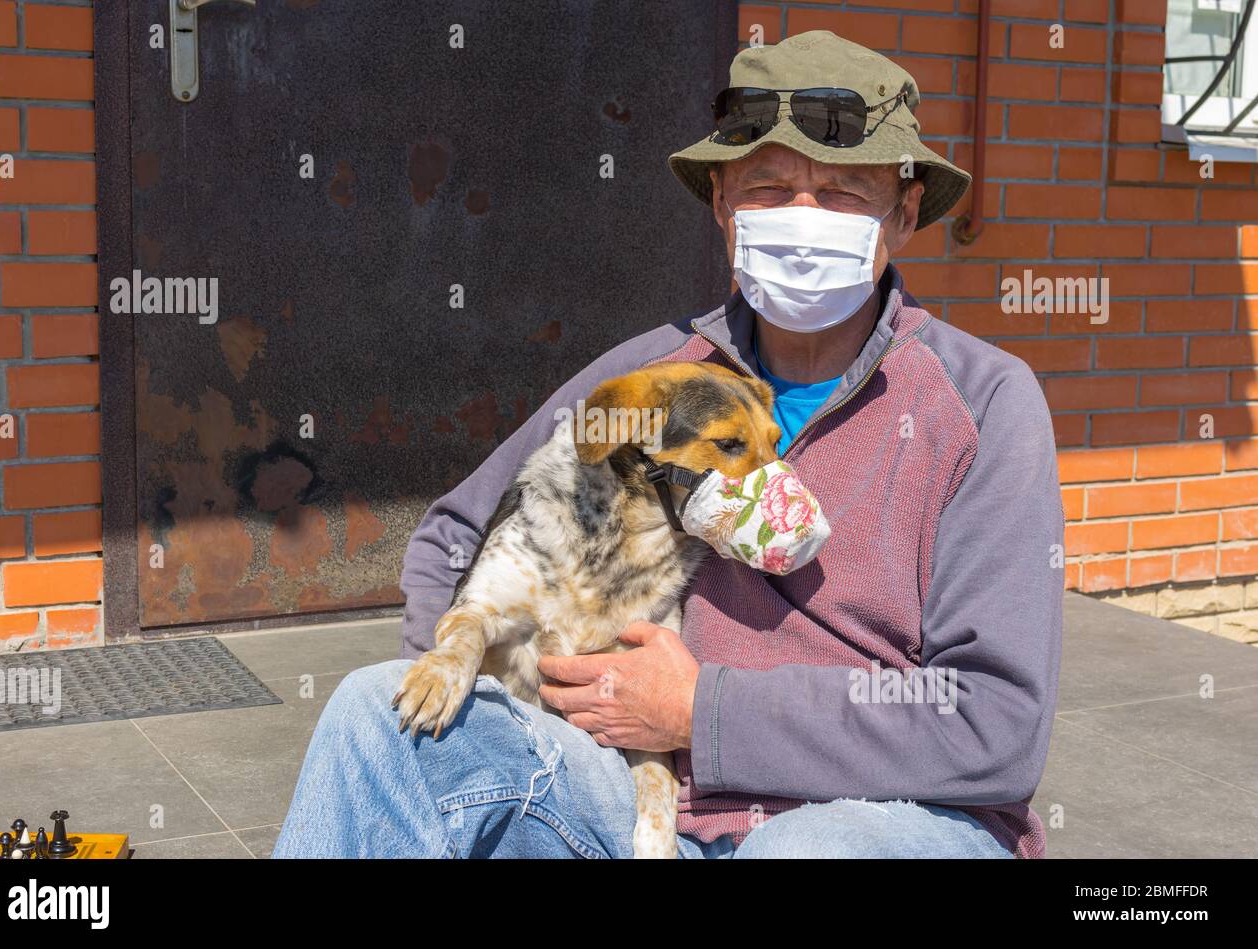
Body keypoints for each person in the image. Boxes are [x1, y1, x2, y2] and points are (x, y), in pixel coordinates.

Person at [274, 30, 1063, 859]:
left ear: (904, 212)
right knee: (378, 716)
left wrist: (703, 713)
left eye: (841, 194)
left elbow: (996, 723)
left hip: (888, 819)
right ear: (722, 202)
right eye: (768, 187)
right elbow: (451, 538)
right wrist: (482, 684)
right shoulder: (651, 380)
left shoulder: (981, 406)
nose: (802, 218)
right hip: (646, 808)